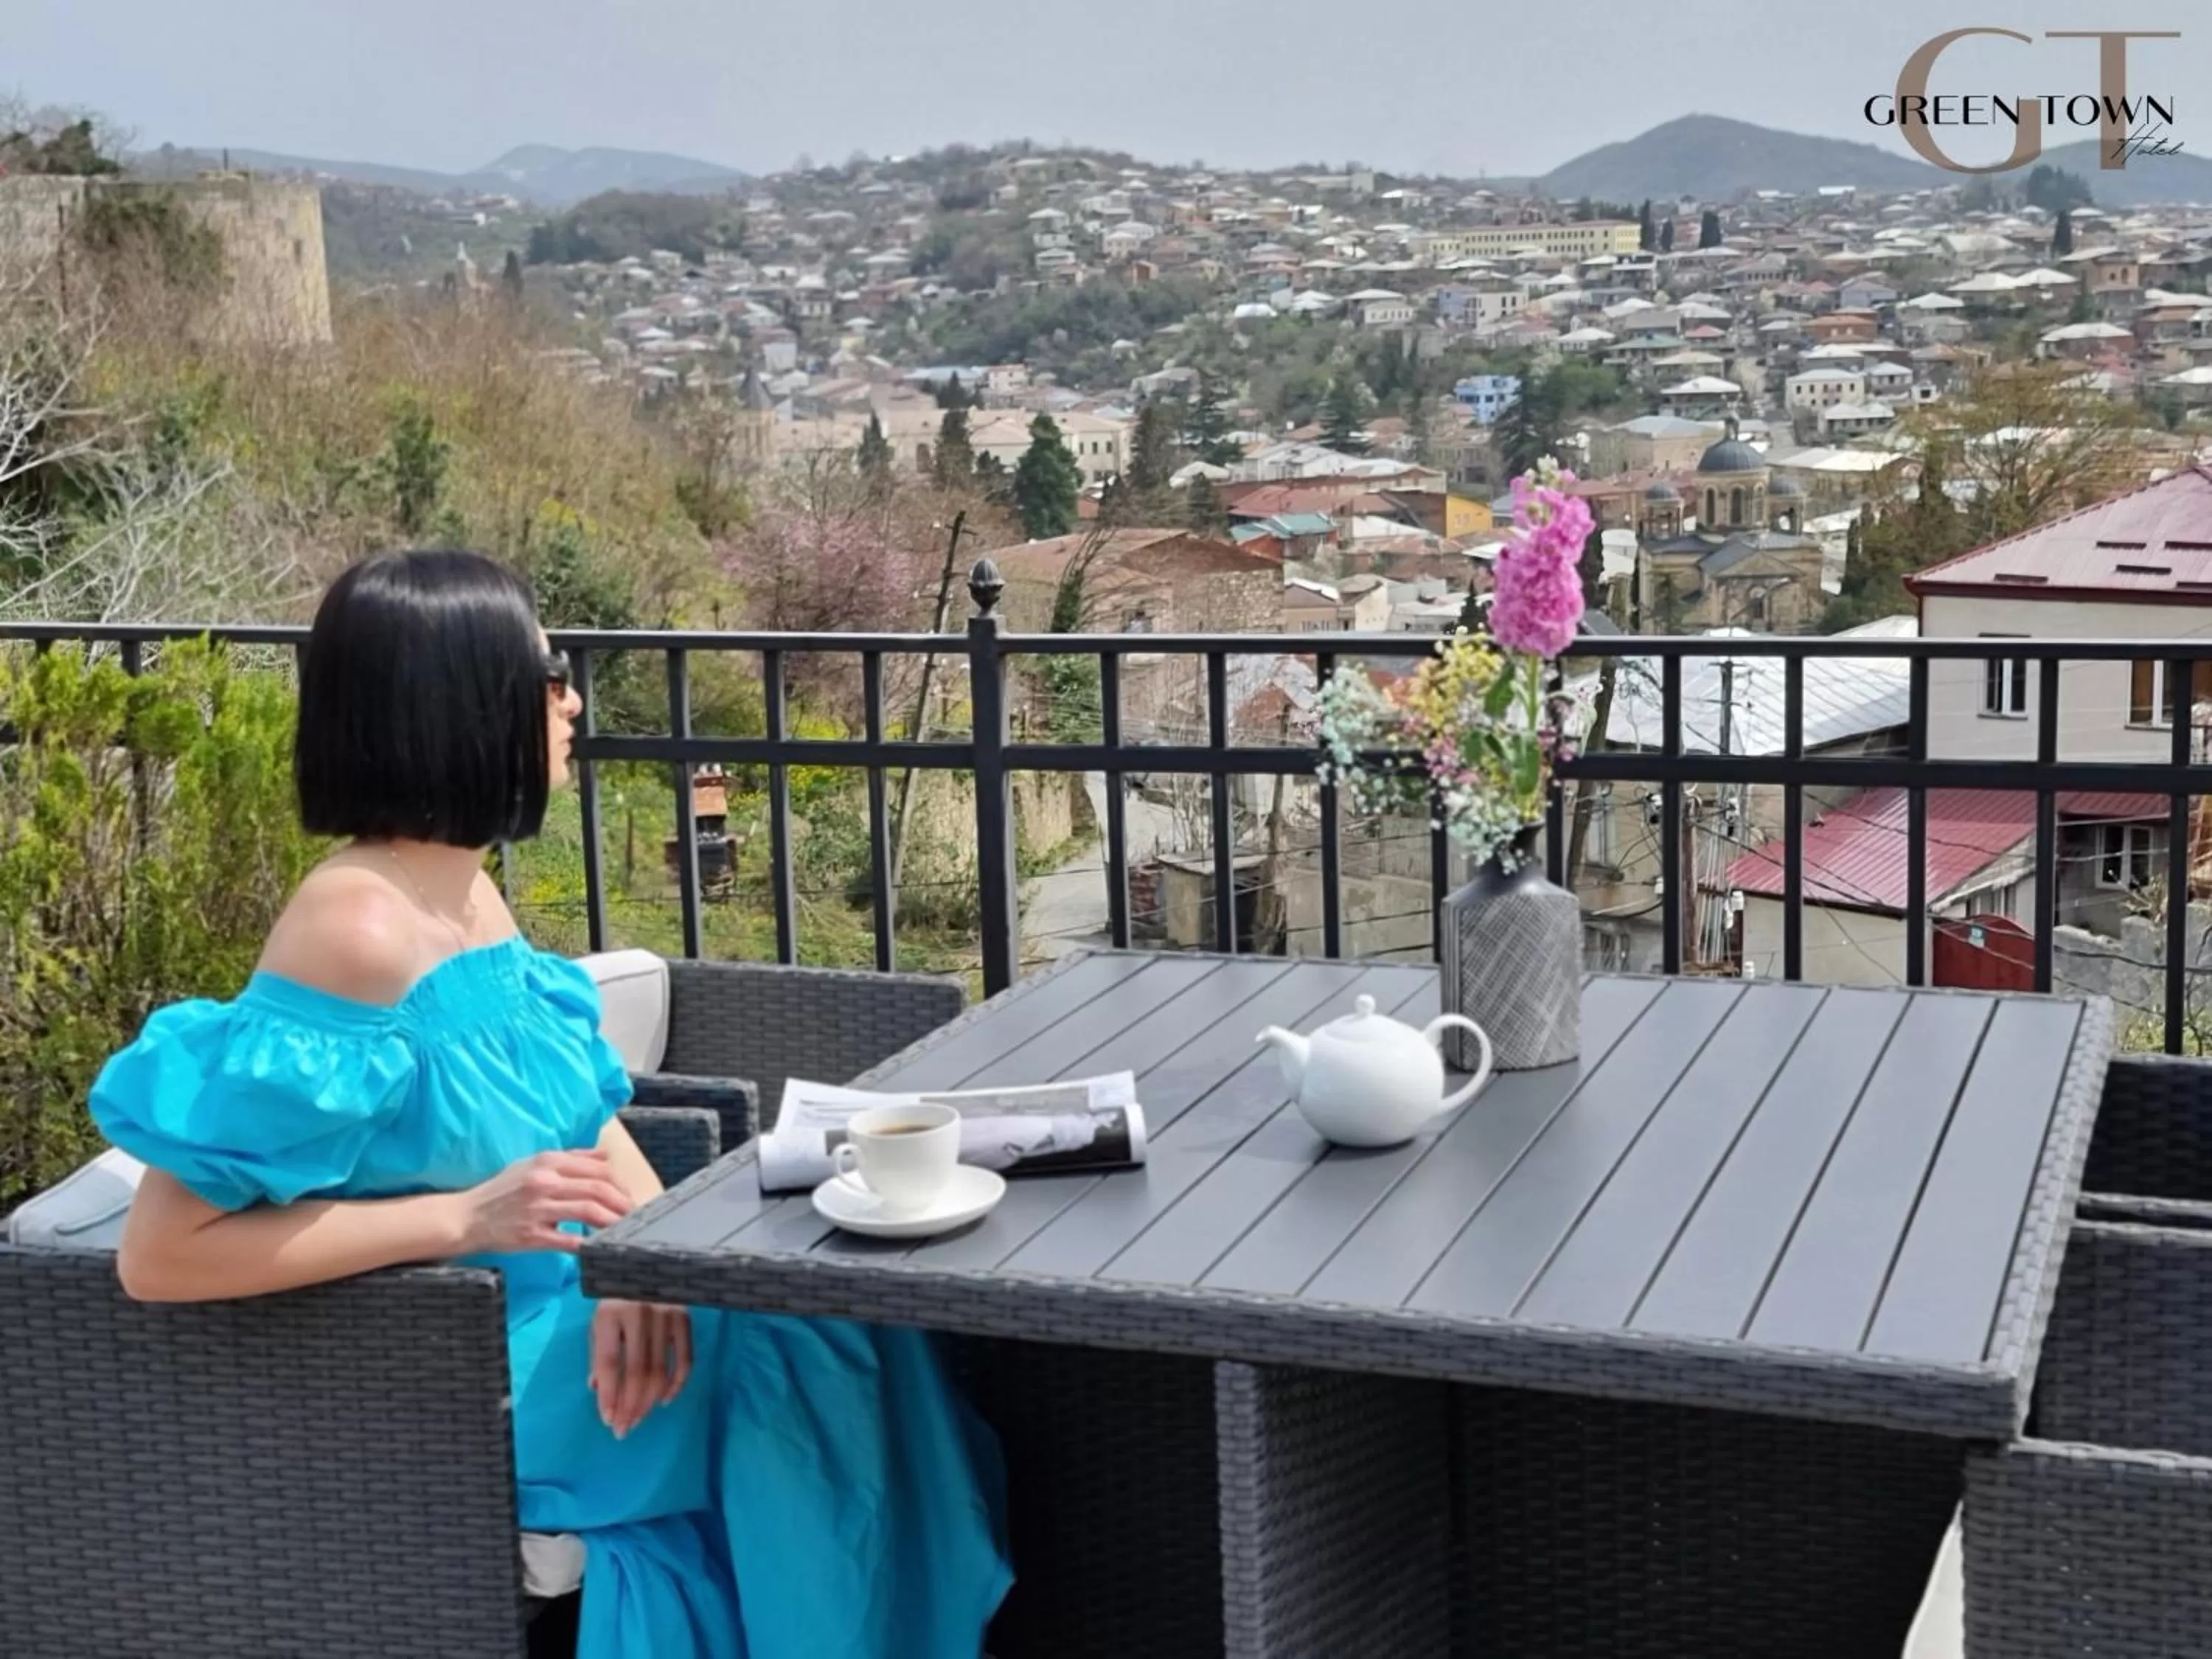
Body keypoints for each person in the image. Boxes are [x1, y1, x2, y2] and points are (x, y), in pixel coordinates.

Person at [88, 549, 1012, 1658]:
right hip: (469, 1373)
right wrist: (464, 1218)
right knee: (798, 1349)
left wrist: (669, 1265)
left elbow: (589, 1125)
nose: (570, 698)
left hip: (578, 1311)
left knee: (821, 1301)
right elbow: (164, 1251)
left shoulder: (466, 890)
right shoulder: (354, 927)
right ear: (458, 696)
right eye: (546, 669)